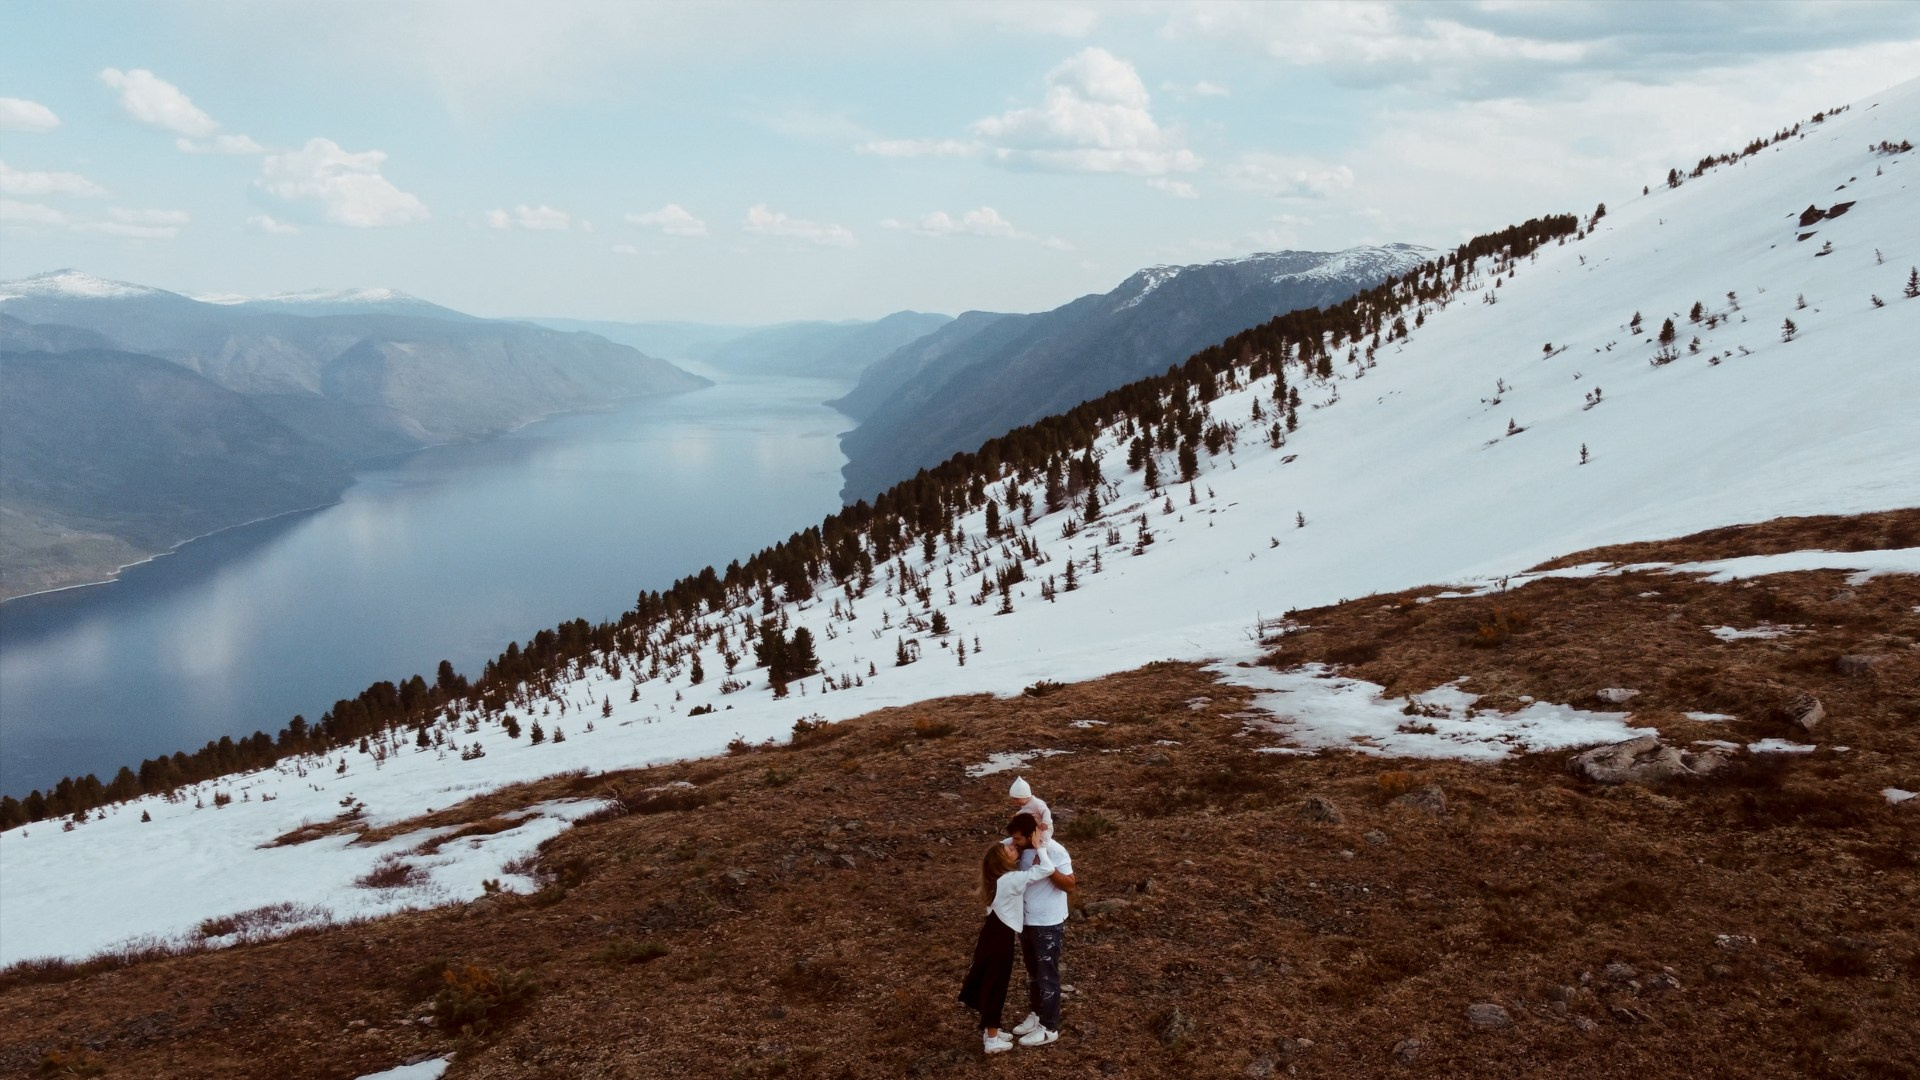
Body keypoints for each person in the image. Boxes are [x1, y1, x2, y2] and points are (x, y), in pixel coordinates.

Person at [958, 840, 1057, 1054]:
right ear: (1001, 860)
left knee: (989, 981)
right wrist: (1040, 846)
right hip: (1000, 940)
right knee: (996, 985)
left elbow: (999, 850)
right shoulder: (1011, 879)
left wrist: (1012, 840)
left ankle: (989, 1030)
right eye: (1010, 849)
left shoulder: (996, 879)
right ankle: (992, 1041)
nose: (1015, 849)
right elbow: (1047, 869)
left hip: (991, 936)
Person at [1004, 811, 1073, 1047]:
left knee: (1048, 975)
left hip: (1048, 923)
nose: (1015, 844)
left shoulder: (1055, 850)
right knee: (1034, 974)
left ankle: (1049, 1027)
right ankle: (1036, 1014)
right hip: (1026, 922)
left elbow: (1070, 884)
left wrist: (1048, 867)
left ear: (1032, 835)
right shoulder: (1021, 850)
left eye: (1019, 840)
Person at [1006, 776, 1053, 848]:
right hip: (1036, 827)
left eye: (1017, 799)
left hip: (1045, 828)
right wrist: (1018, 814)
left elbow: (1046, 811)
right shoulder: (1026, 803)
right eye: (1014, 800)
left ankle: (1042, 850)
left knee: (1043, 839)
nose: (1015, 802)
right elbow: (1026, 810)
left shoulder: (1037, 803)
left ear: (1025, 796)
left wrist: (1045, 822)